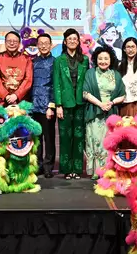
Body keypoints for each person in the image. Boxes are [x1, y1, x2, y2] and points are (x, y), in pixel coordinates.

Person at [83, 44, 126, 179]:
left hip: (111, 112)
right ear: (95, 59)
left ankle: (108, 170)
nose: (103, 61)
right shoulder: (90, 73)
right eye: (100, 59)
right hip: (95, 111)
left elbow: (123, 95)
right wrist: (100, 104)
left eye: (106, 59)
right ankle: (96, 171)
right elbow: (85, 93)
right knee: (94, 141)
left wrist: (111, 103)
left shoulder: (116, 74)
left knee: (109, 142)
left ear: (111, 60)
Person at [53, 28, 89, 180]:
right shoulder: (59, 60)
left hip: (81, 103)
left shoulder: (85, 60)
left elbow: (88, 81)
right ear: (65, 41)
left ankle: (77, 169)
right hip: (65, 104)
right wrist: (58, 105)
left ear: (78, 41)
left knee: (79, 136)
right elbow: (57, 83)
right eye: (70, 39)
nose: (73, 41)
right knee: (65, 136)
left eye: (75, 38)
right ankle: (67, 169)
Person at [30, 33, 56, 177]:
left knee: (49, 137)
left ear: (51, 44)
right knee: (36, 138)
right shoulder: (32, 62)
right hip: (34, 105)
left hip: (47, 107)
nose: (44, 45)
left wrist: (51, 106)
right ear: (37, 45)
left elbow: (55, 85)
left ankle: (48, 166)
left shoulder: (55, 62)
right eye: (41, 43)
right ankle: (38, 164)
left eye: (46, 43)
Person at [0, 31, 33, 106]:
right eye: (9, 41)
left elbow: (28, 80)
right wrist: (5, 95)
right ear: (5, 42)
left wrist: (16, 95)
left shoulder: (26, 59)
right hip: (1, 101)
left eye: (15, 41)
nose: (12, 43)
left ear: (19, 43)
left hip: (21, 102)